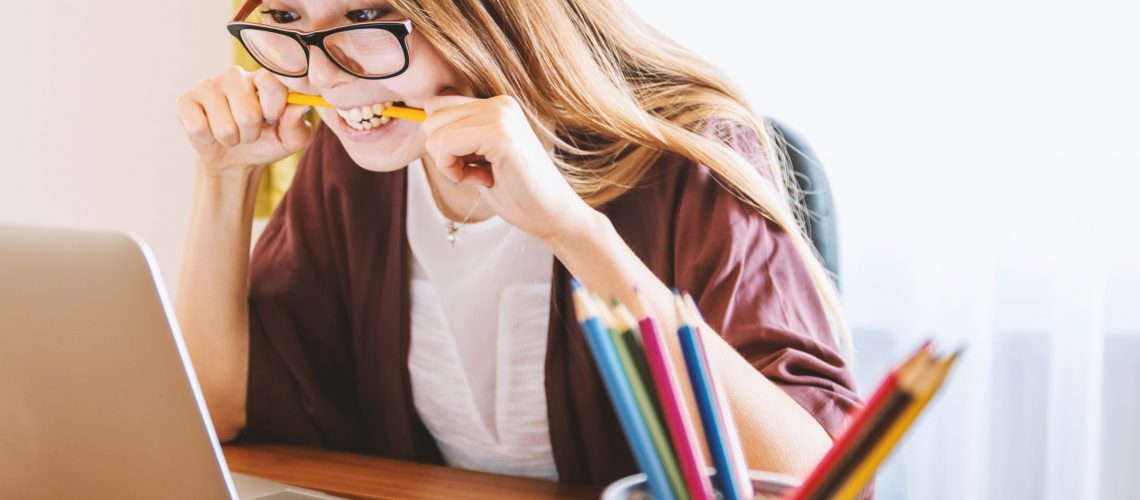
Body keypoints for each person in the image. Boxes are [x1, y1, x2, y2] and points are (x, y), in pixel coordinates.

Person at [175, 0, 861, 487]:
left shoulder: (688, 157)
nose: (322, 78)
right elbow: (219, 411)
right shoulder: (356, 162)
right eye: (289, 19)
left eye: (366, 17)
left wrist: (571, 229)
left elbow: (817, 478)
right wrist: (224, 179)